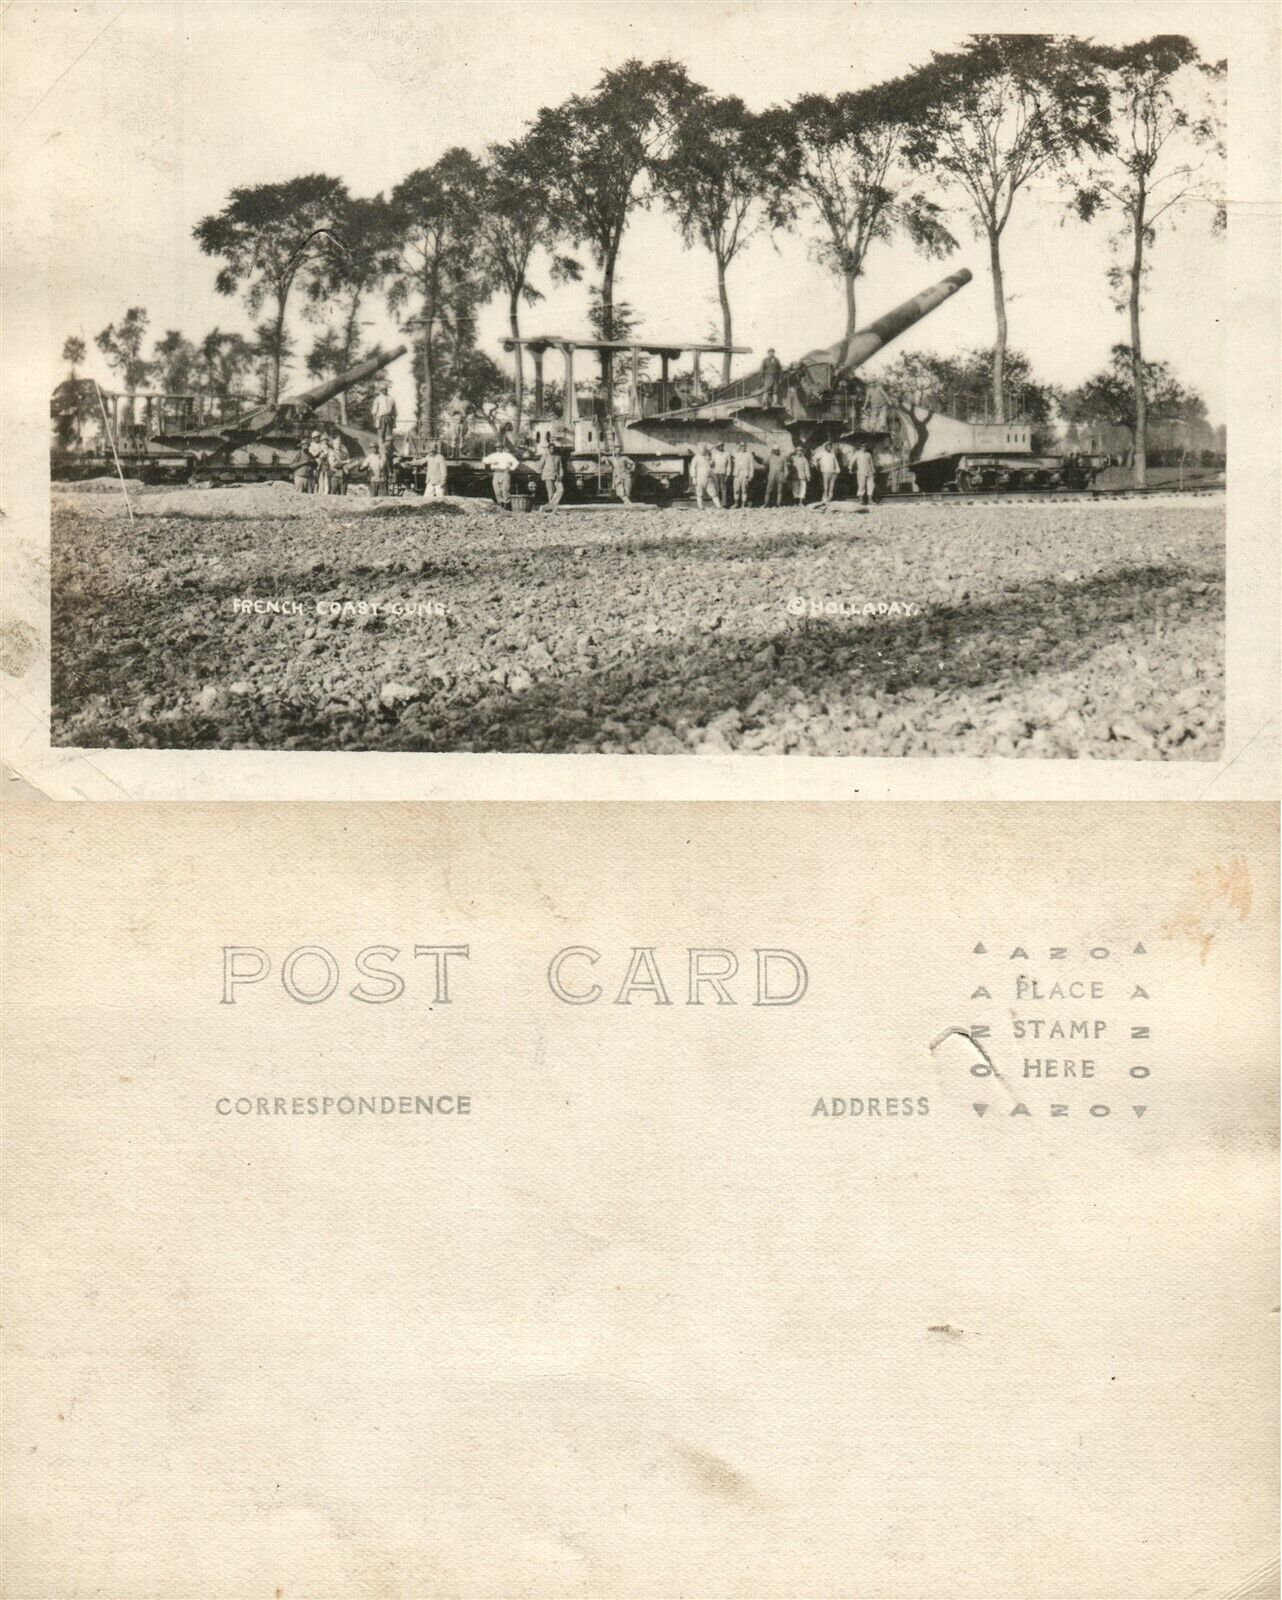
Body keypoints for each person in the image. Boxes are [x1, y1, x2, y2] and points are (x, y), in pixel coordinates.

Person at [537, 442, 564, 510]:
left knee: (561, 490)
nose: (552, 450)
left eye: (553, 448)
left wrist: (561, 475)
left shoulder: (558, 457)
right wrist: (542, 474)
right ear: (548, 449)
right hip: (548, 476)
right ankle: (551, 507)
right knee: (550, 492)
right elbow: (540, 466)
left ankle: (550, 504)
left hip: (556, 476)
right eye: (551, 448)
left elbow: (560, 467)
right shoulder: (545, 456)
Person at [690, 444, 716, 509]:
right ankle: (701, 507)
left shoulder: (708, 457)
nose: (703, 451)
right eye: (702, 449)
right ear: (699, 450)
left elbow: (712, 467)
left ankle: (718, 506)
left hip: (708, 477)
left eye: (704, 449)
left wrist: (712, 463)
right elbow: (693, 468)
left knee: (713, 492)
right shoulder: (696, 458)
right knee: (699, 493)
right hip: (699, 478)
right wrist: (694, 478)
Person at [731, 442, 757, 508]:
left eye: (744, 446)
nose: (743, 447)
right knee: (736, 489)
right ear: (740, 447)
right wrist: (738, 447)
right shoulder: (737, 454)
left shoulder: (749, 455)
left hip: (745, 474)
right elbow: (732, 452)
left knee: (744, 490)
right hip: (737, 474)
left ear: (746, 447)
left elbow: (752, 466)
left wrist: (751, 476)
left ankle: (743, 504)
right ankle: (736, 503)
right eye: (741, 446)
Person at [709, 441, 731, 509]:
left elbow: (729, 465)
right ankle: (717, 504)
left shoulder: (727, 454)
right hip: (715, 473)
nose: (721, 447)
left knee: (723, 489)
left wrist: (728, 474)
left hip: (723, 473)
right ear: (717, 447)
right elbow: (712, 464)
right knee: (717, 489)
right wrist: (710, 462)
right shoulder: (714, 454)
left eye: (722, 445)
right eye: (719, 446)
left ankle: (724, 504)